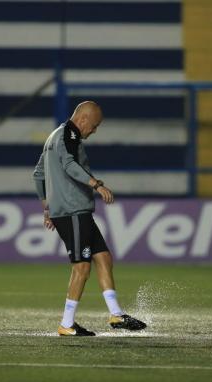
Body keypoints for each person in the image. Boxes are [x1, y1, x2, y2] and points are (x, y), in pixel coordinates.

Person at [33, 101, 146, 336]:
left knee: (103, 257)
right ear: (83, 119)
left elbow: (38, 175)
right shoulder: (68, 137)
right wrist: (96, 184)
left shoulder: (54, 135)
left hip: (75, 211)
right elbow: (69, 165)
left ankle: (116, 314)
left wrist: (47, 209)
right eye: (94, 126)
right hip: (73, 211)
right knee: (81, 268)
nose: (94, 131)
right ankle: (66, 324)